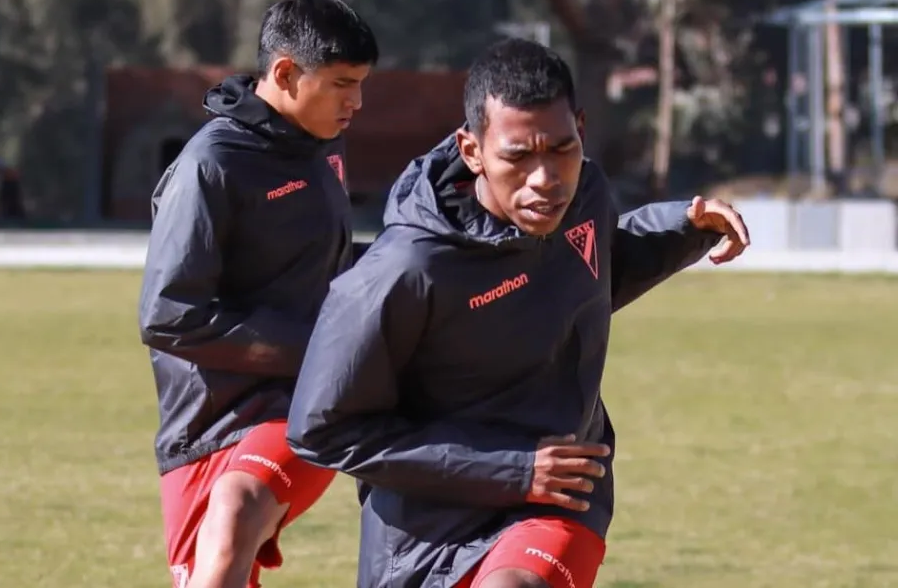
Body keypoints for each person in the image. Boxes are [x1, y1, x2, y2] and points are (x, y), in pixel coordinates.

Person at [286, 38, 750, 588]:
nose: (544, 179)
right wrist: (511, 468)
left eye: (561, 149)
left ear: (580, 127)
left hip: (560, 498)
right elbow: (321, 431)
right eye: (517, 156)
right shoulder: (404, 271)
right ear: (471, 149)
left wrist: (686, 226)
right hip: (422, 537)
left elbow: (594, 273)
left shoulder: (584, 198)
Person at [137, 0, 378, 588]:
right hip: (205, 426)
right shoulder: (210, 167)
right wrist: (316, 344)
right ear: (286, 73)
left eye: (361, 83)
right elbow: (168, 316)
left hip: (305, 403)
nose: (356, 102)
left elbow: (323, 259)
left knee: (239, 511)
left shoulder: (321, 146)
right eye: (343, 83)